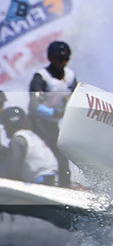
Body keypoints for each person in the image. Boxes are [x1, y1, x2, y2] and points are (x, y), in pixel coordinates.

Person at [29, 40, 76, 187]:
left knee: (62, 156)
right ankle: (44, 184)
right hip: (37, 123)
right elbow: (34, 106)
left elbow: (75, 97)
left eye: (66, 59)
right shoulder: (41, 77)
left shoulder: (70, 76)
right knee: (47, 154)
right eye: (59, 59)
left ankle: (65, 186)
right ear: (50, 58)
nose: (63, 62)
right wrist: (55, 113)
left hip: (53, 124)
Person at [2, 106, 59, 186]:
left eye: (4, 125)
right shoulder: (31, 135)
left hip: (40, 183)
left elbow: (14, 165)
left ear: (8, 125)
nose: (4, 128)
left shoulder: (17, 139)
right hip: (52, 178)